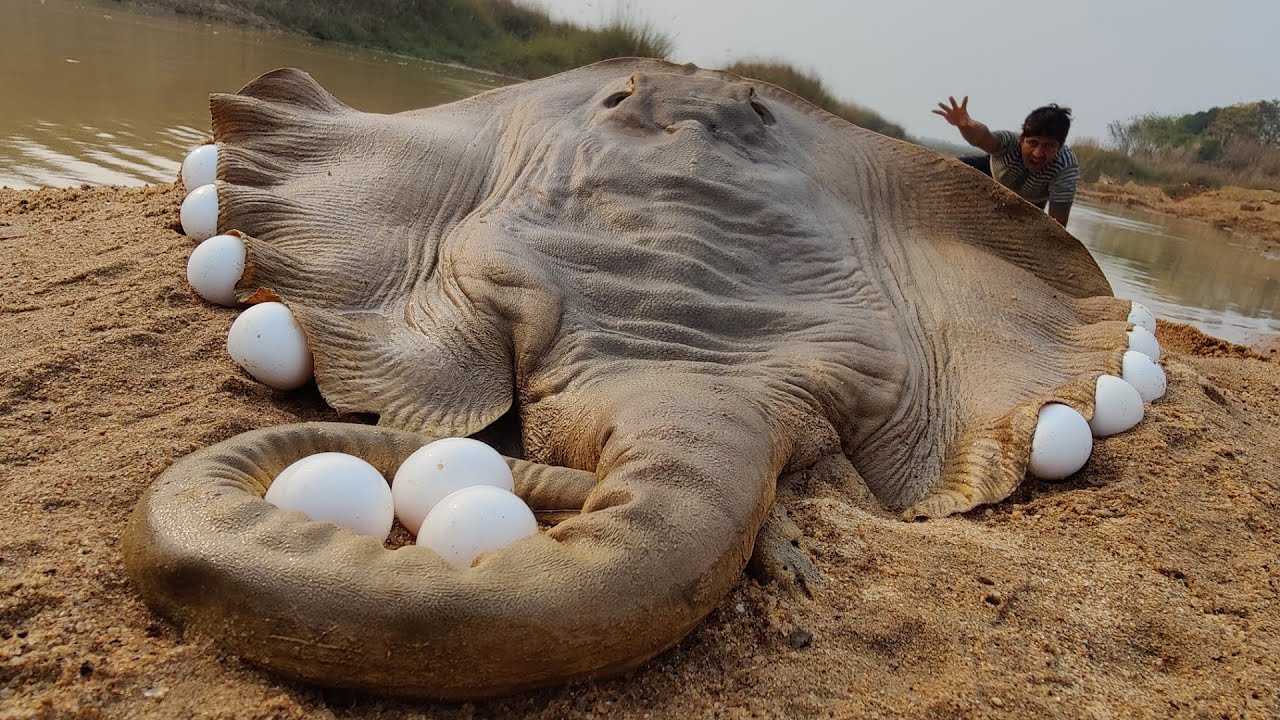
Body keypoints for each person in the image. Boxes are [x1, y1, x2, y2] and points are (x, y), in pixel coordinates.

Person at [933, 96, 1079, 226]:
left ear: (1059, 147)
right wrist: (965, 126)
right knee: (946, 168)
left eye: (1049, 146)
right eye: (1033, 143)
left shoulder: (1065, 168)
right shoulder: (1010, 143)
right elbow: (983, 138)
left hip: (1031, 201)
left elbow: (1057, 224)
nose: (1038, 153)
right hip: (992, 172)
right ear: (1022, 139)